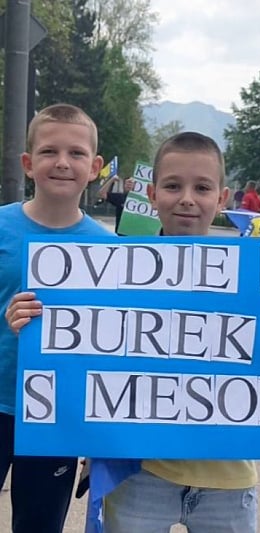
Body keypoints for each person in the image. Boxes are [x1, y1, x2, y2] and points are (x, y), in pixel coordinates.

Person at [7, 131, 260, 532]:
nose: (187, 198)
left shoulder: (255, 277)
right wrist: (30, 323)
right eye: (173, 186)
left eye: (202, 187)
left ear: (222, 199)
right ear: (152, 194)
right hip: (139, 476)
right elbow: (82, 355)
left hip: (229, 481)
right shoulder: (112, 272)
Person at [0, 103, 110, 532]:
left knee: (40, 524)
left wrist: (95, 436)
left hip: (57, 414)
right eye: (49, 152)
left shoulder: (111, 250)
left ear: (95, 167)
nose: (63, 163)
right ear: (28, 164)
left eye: (77, 154)